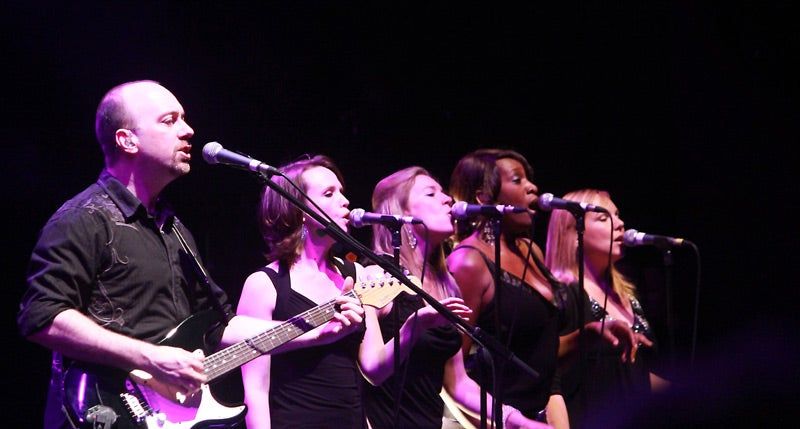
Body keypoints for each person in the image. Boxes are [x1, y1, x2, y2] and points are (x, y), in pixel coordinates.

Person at [15, 80, 348, 429]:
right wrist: (150, 358)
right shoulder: (83, 218)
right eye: (169, 120)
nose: (188, 131)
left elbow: (220, 327)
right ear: (127, 140)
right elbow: (41, 316)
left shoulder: (174, 229)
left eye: (184, 119)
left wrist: (314, 332)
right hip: (104, 412)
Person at [237, 156, 466, 429]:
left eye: (341, 191)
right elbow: (256, 391)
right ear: (298, 209)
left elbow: (374, 369)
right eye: (329, 194)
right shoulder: (264, 284)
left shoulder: (356, 275)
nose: (345, 201)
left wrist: (413, 328)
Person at [445, 149, 636, 429]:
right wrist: (511, 422)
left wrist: (589, 333)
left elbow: (536, 353)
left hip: (537, 418)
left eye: (529, 179)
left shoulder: (529, 250)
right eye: (517, 180)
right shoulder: (468, 262)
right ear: (483, 198)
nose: (532, 187)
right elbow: (453, 374)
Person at [363, 166, 548, 429]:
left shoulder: (446, 284)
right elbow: (369, 370)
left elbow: (458, 383)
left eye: (443, 192)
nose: (447, 199)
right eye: (431, 193)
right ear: (401, 213)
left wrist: (516, 420)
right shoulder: (377, 276)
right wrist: (413, 328)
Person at [545, 189, 668, 429]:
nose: (620, 224)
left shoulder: (626, 295)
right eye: (603, 218)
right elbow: (546, 369)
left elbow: (632, 373)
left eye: (618, 215)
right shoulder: (561, 294)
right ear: (574, 233)